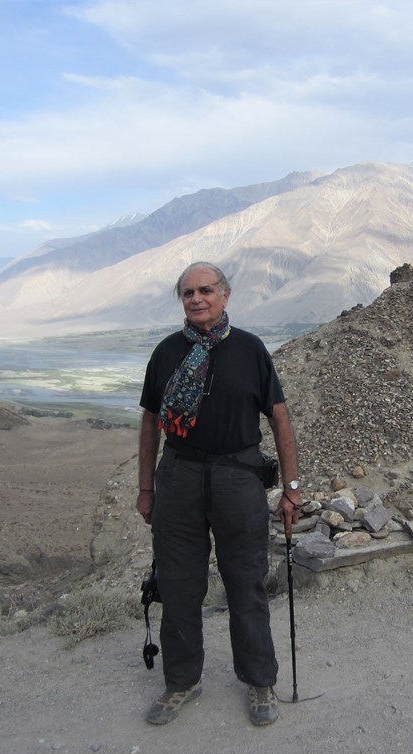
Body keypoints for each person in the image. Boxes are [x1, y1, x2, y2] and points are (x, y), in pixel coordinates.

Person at [136, 261, 303, 728]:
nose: (196, 298)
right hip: (179, 478)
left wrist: (292, 489)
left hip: (238, 480)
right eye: (187, 292)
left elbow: (280, 419)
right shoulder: (166, 352)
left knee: (246, 583)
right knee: (178, 584)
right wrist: (146, 487)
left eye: (205, 290)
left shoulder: (250, 349)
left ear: (225, 296)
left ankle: (259, 680)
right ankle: (181, 683)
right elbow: (151, 421)